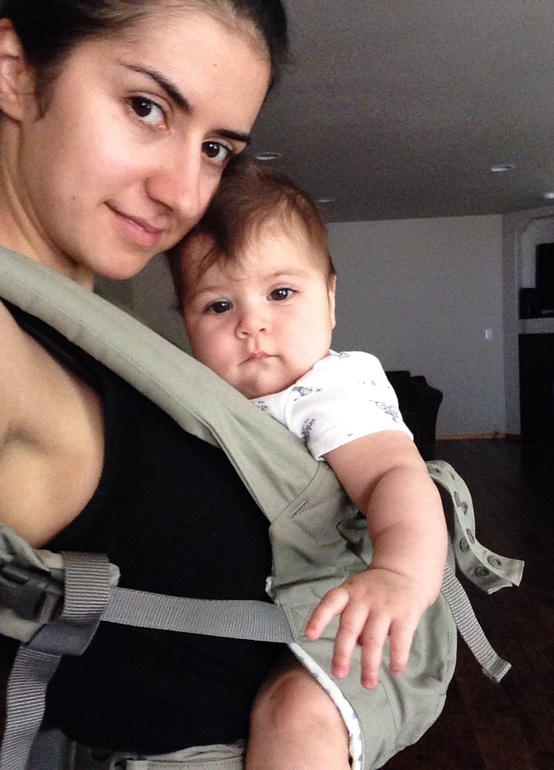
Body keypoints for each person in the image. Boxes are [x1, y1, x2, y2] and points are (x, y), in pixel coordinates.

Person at [0, 2, 346, 769]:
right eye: (147, 107)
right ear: (15, 70)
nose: (185, 193)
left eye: (216, 148)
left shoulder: (108, 348)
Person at [169, 156, 449, 770]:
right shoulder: (205, 398)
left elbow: (393, 476)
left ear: (330, 298)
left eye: (281, 293)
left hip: (360, 606)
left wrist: (400, 574)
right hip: (264, 607)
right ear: (185, 322)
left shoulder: (328, 388)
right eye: (218, 306)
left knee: (294, 719)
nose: (252, 323)